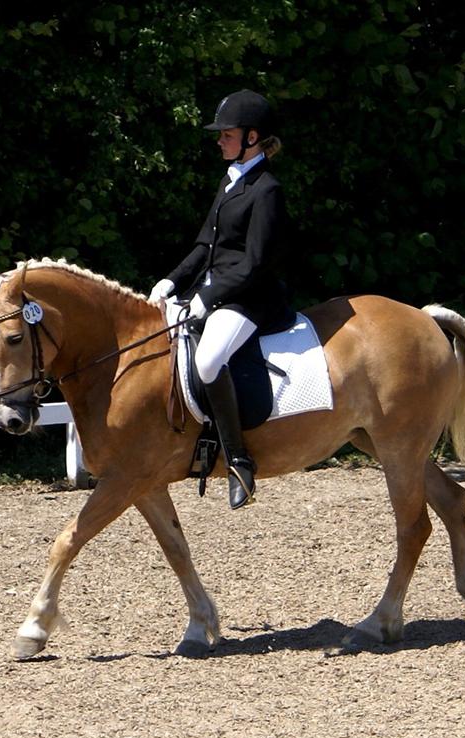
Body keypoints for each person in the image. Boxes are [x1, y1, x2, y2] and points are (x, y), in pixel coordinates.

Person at [149, 89, 294, 510]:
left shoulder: (267, 190)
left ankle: (239, 461)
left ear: (252, 137)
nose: (219, 140)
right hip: (217, 290)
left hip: (251, 296)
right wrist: (171, 282)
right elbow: (203, 248)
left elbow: (255, 263)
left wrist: (208, 297)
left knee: (209, 360)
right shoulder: (232, 179)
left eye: (227, 134)